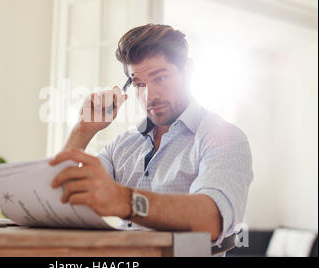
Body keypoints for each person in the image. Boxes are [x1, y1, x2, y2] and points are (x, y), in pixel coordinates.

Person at [49, 24, 253, 245]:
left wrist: (125, 201)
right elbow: (59, 198)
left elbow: (211, 219)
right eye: (139, 84)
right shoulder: (123, 146)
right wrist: (83, 130)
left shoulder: (223, 137)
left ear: (188, 70)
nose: (149, 96)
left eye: (160, 78)